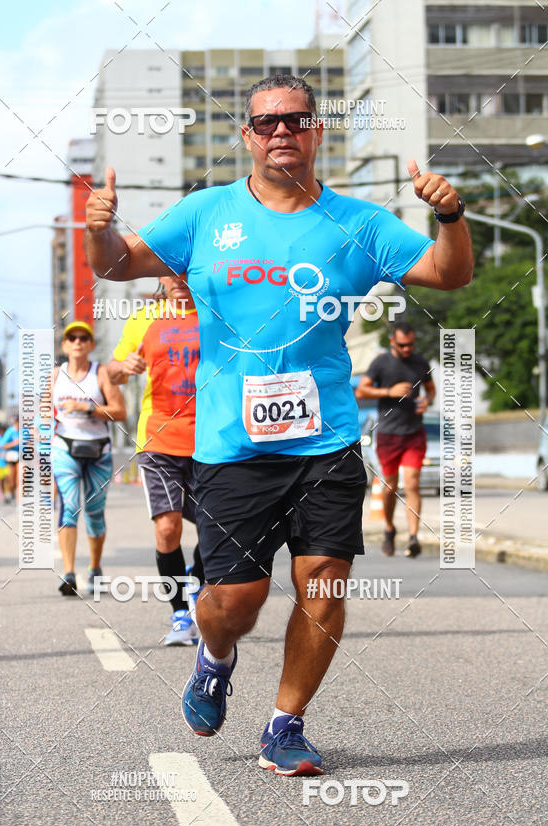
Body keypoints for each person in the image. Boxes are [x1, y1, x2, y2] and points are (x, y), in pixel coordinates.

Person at [85, 74, 474, 776]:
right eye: (267, 123)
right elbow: (116, 264)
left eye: (296, 120)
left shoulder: (358, 223)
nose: (282, 133)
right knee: (234, 600)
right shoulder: (206, 214)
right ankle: (215, 657)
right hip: (233, 446)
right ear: (248, 136)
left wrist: (452, 216)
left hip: (325, 440)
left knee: (324, 579)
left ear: (316, 130)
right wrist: (98, 227)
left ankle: (285, 725)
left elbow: (449, 275)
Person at [107, 275, 203, 647]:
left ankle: (196, 580)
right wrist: (124, 366)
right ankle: (180, 614)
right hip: (159, 436)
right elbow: (111, 370)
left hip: (211, 439)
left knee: (217, 531)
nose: (179, 280)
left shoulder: (214, 313)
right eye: (170, 272)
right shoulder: (145, 318)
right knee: (167, 529)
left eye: (185, 271)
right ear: (161, 277)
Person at [52, 320, 126, 596]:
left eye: (84, 338)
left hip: (98, 451)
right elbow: (43, 412)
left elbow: (120, 411)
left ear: (91, 345)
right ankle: (69, 573)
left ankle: (95, 567)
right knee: (69, 507)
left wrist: (87, 407)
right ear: (65, 345)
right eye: (72, 338)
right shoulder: (55, 375)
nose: (78, 342)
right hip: (64, 448)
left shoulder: (101, 373)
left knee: (94, 514)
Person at [355, 322, 436, 558]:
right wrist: (388, 392)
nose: (407, 349)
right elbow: (361, 391)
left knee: (412, 483)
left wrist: (427, 400)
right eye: (402, 345)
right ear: (393, 342)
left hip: (414, 433)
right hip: (389, 434)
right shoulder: (381, 363)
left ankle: (413, 538)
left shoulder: (421, 362)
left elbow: (431, 389)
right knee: (390, 487)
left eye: (411, 344)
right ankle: (389, 529)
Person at [2, 416, 20, 500]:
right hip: (12, 457)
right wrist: (14, 443)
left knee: (20, 479)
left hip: (22, 457)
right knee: (12, 481)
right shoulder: (10, 431)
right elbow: (3, 445)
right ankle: (11, 493)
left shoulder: (25, 431)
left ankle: (19, 498)